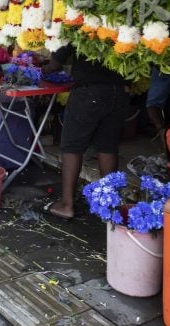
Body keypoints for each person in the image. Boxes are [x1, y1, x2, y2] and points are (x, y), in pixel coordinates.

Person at [41, 46, 128, 220]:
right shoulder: (123, 23)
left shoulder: (83, 22)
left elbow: (57, 61)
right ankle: (108, 205)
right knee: (107, 147)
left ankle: (66, 205)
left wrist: (44, 68)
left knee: (72, 146)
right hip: (119, 91)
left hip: (89, 91)